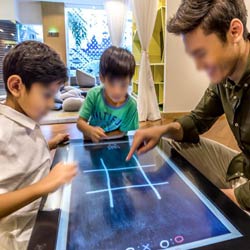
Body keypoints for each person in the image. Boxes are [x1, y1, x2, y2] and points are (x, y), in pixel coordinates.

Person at [127, 0, 250, 212]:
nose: (199, 66)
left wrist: (222, 200)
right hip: (242, 167)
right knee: (175, 142)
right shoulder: (225, 76)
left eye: (202, 53)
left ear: (235, 31)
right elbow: (197, 120)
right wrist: (162, 129)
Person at [0, 41, 77, 250]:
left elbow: (21, 158)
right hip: (20, 238)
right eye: (47, 95)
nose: (52, 104)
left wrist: (49, 144)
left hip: (41, 214)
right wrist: (43, 186)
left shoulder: (26, 118)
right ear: (16, 86)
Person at [77, 46, 139, 142]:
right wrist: (89, 130)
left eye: (123, 85)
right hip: (93, 145)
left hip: (118, 144)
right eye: (112, 83)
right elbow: (80, 122)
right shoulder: (93, 95)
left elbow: (122, 132)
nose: (117, 91)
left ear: (130, 81)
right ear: (102, 78)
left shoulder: (131, 105)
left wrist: (99, 136)